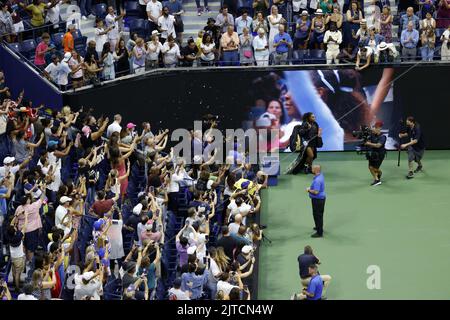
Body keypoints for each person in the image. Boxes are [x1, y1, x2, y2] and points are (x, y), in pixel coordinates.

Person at [364, 120, 386, 186]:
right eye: (374, 127)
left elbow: (378, 145)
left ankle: (379, 173)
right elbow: (367, 139)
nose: (374, 129)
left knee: (374, 168)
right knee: (370, 167)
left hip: (380, 154)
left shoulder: (383, 137)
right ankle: (377, 179)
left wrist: (368, 143)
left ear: (379, 128)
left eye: (376, 128)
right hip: (373, 153)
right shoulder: (372, 134)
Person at [307, 165, 326, 237]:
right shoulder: (321, 176)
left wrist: (308, 190)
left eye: (312, 169)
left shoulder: (317, 180)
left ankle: (319, 233)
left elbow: (316, 192)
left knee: (317, 215)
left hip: (317, 200)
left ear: (315, 170)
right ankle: (319, 227)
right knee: (319, 215)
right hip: (321, 199)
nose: (311, 169)